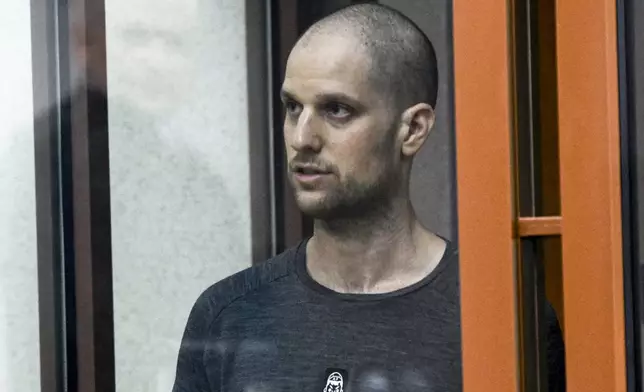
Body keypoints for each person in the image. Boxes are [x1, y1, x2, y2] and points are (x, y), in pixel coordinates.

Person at [171, 4, 565, 391]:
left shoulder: (498, 315)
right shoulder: (230, 314)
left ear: (412, 129)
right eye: (293, 107)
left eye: (337, 110)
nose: (301, 138)